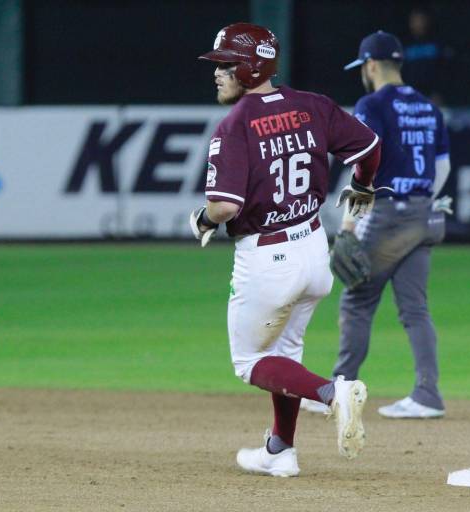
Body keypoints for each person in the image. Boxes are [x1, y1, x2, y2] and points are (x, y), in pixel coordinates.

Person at [189, 22, 382, 477]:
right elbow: (370, 148)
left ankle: (333, 394)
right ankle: (280, 451)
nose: (217, 73)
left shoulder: (234, 125)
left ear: (249, 66)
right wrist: (362, 187)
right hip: (314, 249)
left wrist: (201, 219)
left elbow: (225, 204)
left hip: (267, 258)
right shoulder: (313, 106)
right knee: (285, 352)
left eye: (224, 64)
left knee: (251, 362)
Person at [301, 31, 451, 419]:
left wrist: (349, 225)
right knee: (415, 309)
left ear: (370, 65)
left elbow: (364, 165)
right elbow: (443, 166)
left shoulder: (372, 103)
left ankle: (340, 388)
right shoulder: (427, 106)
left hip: (387, 215)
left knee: (357, 300)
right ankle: (427, 394)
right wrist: (421, 203)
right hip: (425, 213)